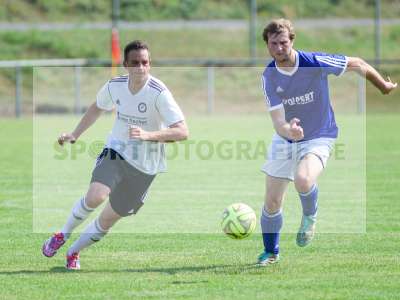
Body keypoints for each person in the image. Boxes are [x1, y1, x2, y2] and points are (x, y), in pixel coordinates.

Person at [258, 19, 397, 266]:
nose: (279, 48)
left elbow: (357, 63)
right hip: (286, 139)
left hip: (320, 135)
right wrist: (289, 130)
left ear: (292, 41)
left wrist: (383, 85)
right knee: (272, 202)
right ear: (267, 45)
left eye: (283, 42)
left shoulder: (313, 62)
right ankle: (271, 253)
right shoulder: (269, 75)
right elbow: (278, 121)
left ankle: (310, 216)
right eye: (273, 44)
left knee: (303, 179)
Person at [42, 40, 189, 270]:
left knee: (107, 221)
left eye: (145, 62)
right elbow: (97, 107)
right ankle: (62, 233)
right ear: (125, 65)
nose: (140, 67)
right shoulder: (115, 86)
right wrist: (74, 134)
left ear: (150, 64)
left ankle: (73, 252)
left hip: (145, 167)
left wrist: (148, 135)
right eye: (135, 63)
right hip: (117, 152)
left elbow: (182, 132)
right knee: (96, 197)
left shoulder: (159, 93)